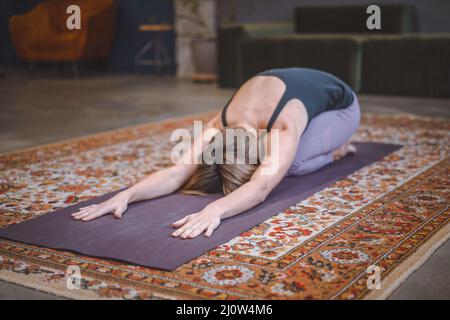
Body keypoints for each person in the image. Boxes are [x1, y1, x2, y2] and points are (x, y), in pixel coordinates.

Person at [72, 67, 360, 239]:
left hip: (342, 107)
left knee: (292, 164)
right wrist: (126, 195)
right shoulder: (220, 123)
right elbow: (178, 171)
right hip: (291, 90)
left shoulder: (282, 125)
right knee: (286, 159)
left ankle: (339, 150)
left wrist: (215, 210)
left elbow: (260, 187)